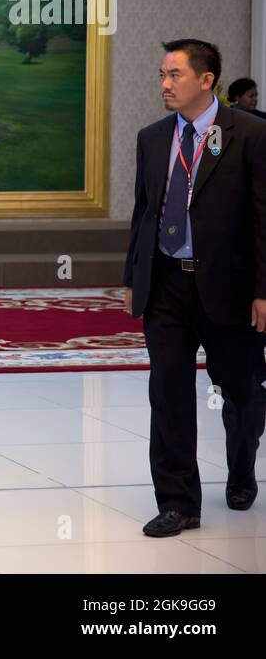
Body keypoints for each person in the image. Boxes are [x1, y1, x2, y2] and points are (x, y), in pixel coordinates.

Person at [123, 38, 266, 537]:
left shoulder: (249, 134)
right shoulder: (152, 137)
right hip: (165, 285)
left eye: (175, 75)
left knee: (243, 390)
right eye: (162, 75)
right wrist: (132, 277)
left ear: (207, 80)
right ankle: (179, 502)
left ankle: (243, 468)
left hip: (229, 287)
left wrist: (263, 290)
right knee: (168, 393)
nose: (165, 84)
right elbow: (145, 213)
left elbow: (263, 219)